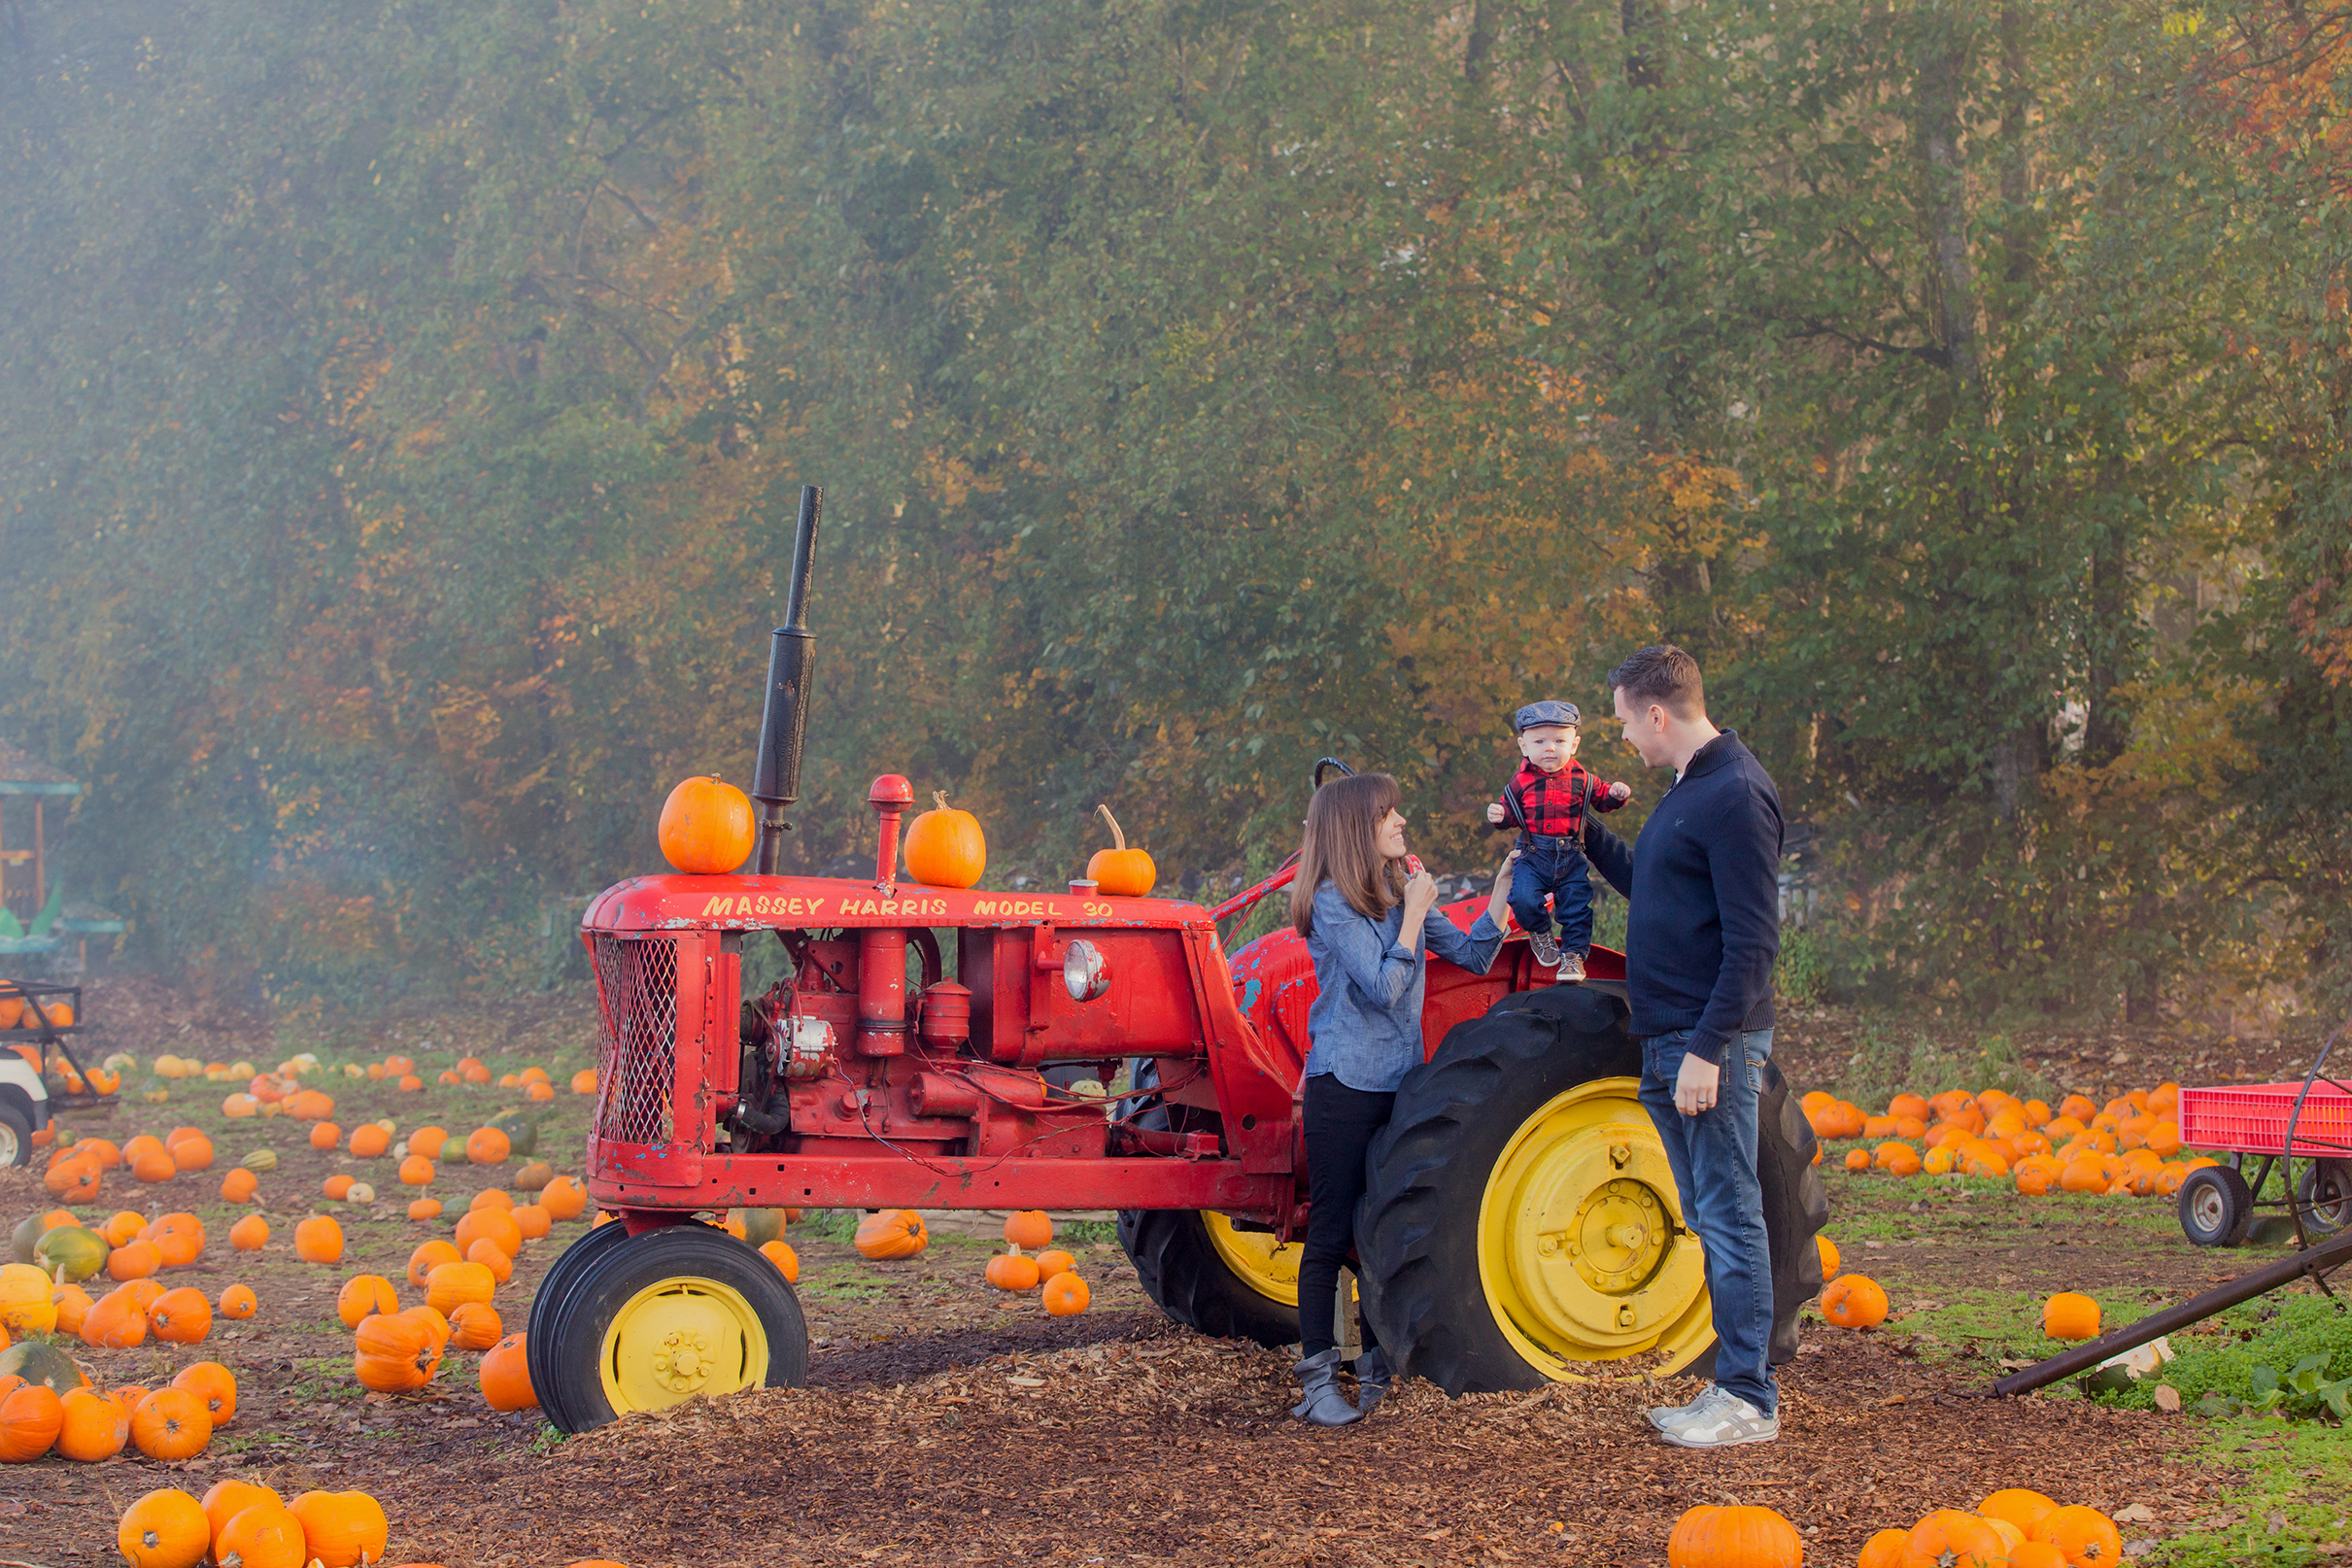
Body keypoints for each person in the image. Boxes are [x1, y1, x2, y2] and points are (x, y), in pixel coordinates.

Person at [1579, 644, 1786, 1449]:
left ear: (1656, 713)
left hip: (1708, 1045)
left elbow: (1753, 946)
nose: (1626, 739)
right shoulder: (1687, 792)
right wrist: (1578, 830)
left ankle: (1747, 1400)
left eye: (1627, 722)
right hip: (1669, 1036)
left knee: (1731, 1220)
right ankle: (1731, 1388)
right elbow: (1656, 889)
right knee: (1709, 1213)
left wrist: (1706, 1048)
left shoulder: (1734, 794)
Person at [1289, 771, 1517, 1426]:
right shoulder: (1334, 901)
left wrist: (1499, 892)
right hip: (1344, 1082)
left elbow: (1475, 956)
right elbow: (1383, 988)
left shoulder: (1395, 892)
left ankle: (1376, 1369)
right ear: (1357, 827)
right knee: (1332, 1230)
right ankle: (1317, 1383)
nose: (1400, 824)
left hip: (1399, 1083)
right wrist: (1414, 913)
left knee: (1378, 1230)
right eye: (1388, 815)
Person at [1483, 699, 1632, 980]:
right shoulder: (1520, 782)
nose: (1550, 748)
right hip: (1533, 852)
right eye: (1539, 742)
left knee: (1576, 906)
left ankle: (1573, 957)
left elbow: (1602, 800)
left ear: (1573, 745)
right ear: (1524, 746)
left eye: (1559, 741)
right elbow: (1510, 815)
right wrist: (1499, 815)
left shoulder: (1583, 779)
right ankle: (1540, 931)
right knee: (1523, 898)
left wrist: (1615, 794)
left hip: (1571, 853)